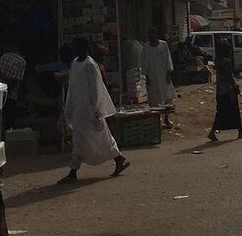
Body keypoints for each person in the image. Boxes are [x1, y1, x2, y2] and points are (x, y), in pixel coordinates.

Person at [58, 38, 129, 184]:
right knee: (94, 138)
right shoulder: (75, 63)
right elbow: (72, 87)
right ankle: (118, 158)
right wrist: (69, 106)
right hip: (79, 108)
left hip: (89, 110)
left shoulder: (90, 65)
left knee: (89, 138)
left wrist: (97, 109)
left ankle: (73, 172)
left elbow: (96, 88)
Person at [209, 37, 242, 141]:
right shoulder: (226, 61)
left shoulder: (217, 61)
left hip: (220, 91)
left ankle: (212, 131)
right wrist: (235, 86)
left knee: (221, 112)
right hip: (228, 90)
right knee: (235, 111)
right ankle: (240, 131)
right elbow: (229, 76)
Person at [141, 27, 176, 128]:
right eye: (149, 35)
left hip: (163, 75)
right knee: (154, 99)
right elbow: (143, 63)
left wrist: (169, 73)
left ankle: (167, 119)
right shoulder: (146, 47)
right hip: (152, 76)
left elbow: (168, 59)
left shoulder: (163, 45)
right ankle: (156, 121)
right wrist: (146, 77)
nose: (151, 37)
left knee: (167, 97)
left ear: (156, 35)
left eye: (153, 35)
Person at [0, 41, 27, 128]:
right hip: (9, 94)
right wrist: (9, 90)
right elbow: (16, 80)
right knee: (10, 117)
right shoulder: (22, 62)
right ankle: (9, 133)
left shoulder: (5, 56)